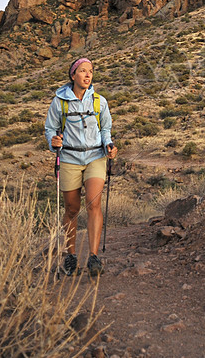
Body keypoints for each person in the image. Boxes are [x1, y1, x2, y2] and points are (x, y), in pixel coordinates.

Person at [45, 57, 117, 277]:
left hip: (95, 156)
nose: (88, 75)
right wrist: (53, 141)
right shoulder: (60, 102)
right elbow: (50, 128)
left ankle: (94, 258)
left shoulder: (99, 102)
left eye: (91, 72)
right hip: (69, 158)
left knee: (93, 203)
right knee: (72, 209)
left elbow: (106, 129)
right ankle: (71, 256)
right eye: (83, 71)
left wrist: (109, 145)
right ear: (73, 75)